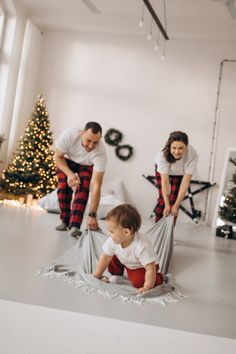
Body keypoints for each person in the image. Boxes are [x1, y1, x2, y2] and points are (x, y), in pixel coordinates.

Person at [92, 204, 163, 294]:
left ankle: (159, 277)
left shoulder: (141, 245)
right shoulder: (113, 240)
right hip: (125, 260)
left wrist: (147, 287)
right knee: (110, 257)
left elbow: (150, 268)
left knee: (138, 282)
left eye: (111, 232)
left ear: (126, 232)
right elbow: (105, 257)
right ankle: (118, 274)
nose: (108, 234)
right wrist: (97, 275)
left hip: (141, 266)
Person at [54, 122, 107, 237]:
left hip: (86, 166)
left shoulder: (100, 153)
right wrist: (70, 174)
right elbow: (57, 157)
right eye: (88, 141)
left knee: (83, 189)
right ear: (82, 133)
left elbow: (97, 184)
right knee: (63, 188)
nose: (91, 146)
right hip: (66, 160)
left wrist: (93, 215)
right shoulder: (69, 135)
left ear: (100, 139)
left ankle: (75, 226)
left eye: (95, 142)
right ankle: (65, 221)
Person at [154, 131, 198, 223]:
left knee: (174, 202)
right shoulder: (163, 155)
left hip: (180, 173)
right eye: (174, 148)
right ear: (169, 146)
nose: (177, 151)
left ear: (186, 146)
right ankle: (157, 228)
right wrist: (167, 205)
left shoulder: (193, 155)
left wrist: (176, 205)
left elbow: (185, 183)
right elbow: (165, 182)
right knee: (163, 199)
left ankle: (169, 232)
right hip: (164, 172)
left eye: (181, 148)